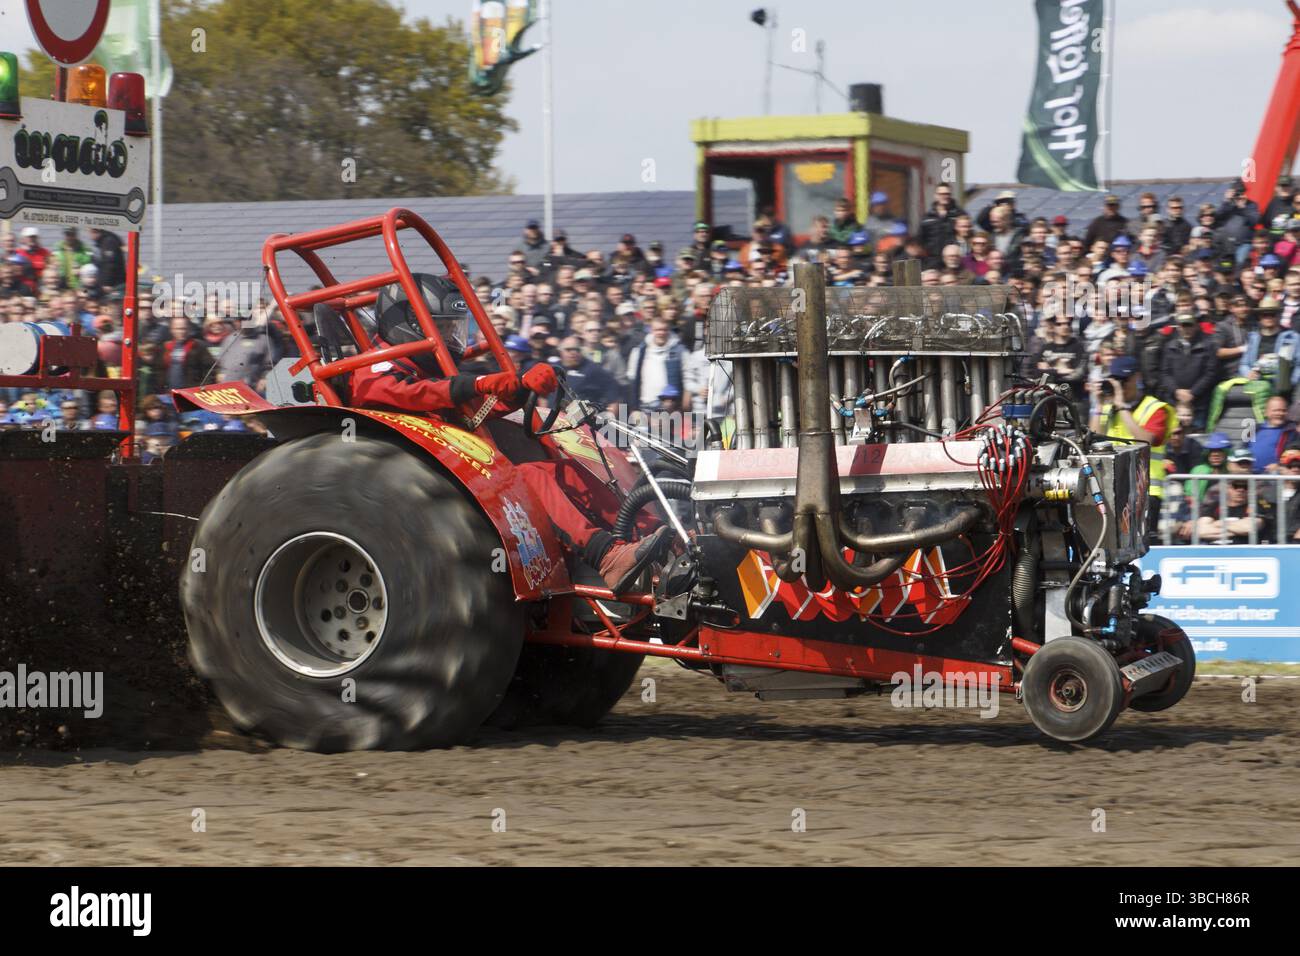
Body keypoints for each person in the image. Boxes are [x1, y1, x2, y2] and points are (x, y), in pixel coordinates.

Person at [347, 274, 673, 592]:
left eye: (452, 327)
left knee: (564, 470)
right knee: (529, 477)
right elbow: (418, 394)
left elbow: (475, 406)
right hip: (419, 485)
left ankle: (655, 538)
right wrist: (479, 384)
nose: (451, 337)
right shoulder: (374, 371)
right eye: (443, 327)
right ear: (413, 326)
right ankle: (606, 554)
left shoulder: (422, 370)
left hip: (456, 470)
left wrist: (520, 386)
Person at [1091, 355, 1177, 535]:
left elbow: (1145, 441)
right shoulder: (1108, 408)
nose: (1120, 386)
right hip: (1112, 489)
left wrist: (1122, 407)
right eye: (1116, 380)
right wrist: (1098, 406)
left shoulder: (1155, 408)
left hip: (1145, 491)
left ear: (1137, 378)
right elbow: (1092, 440)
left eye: (1124, 380)